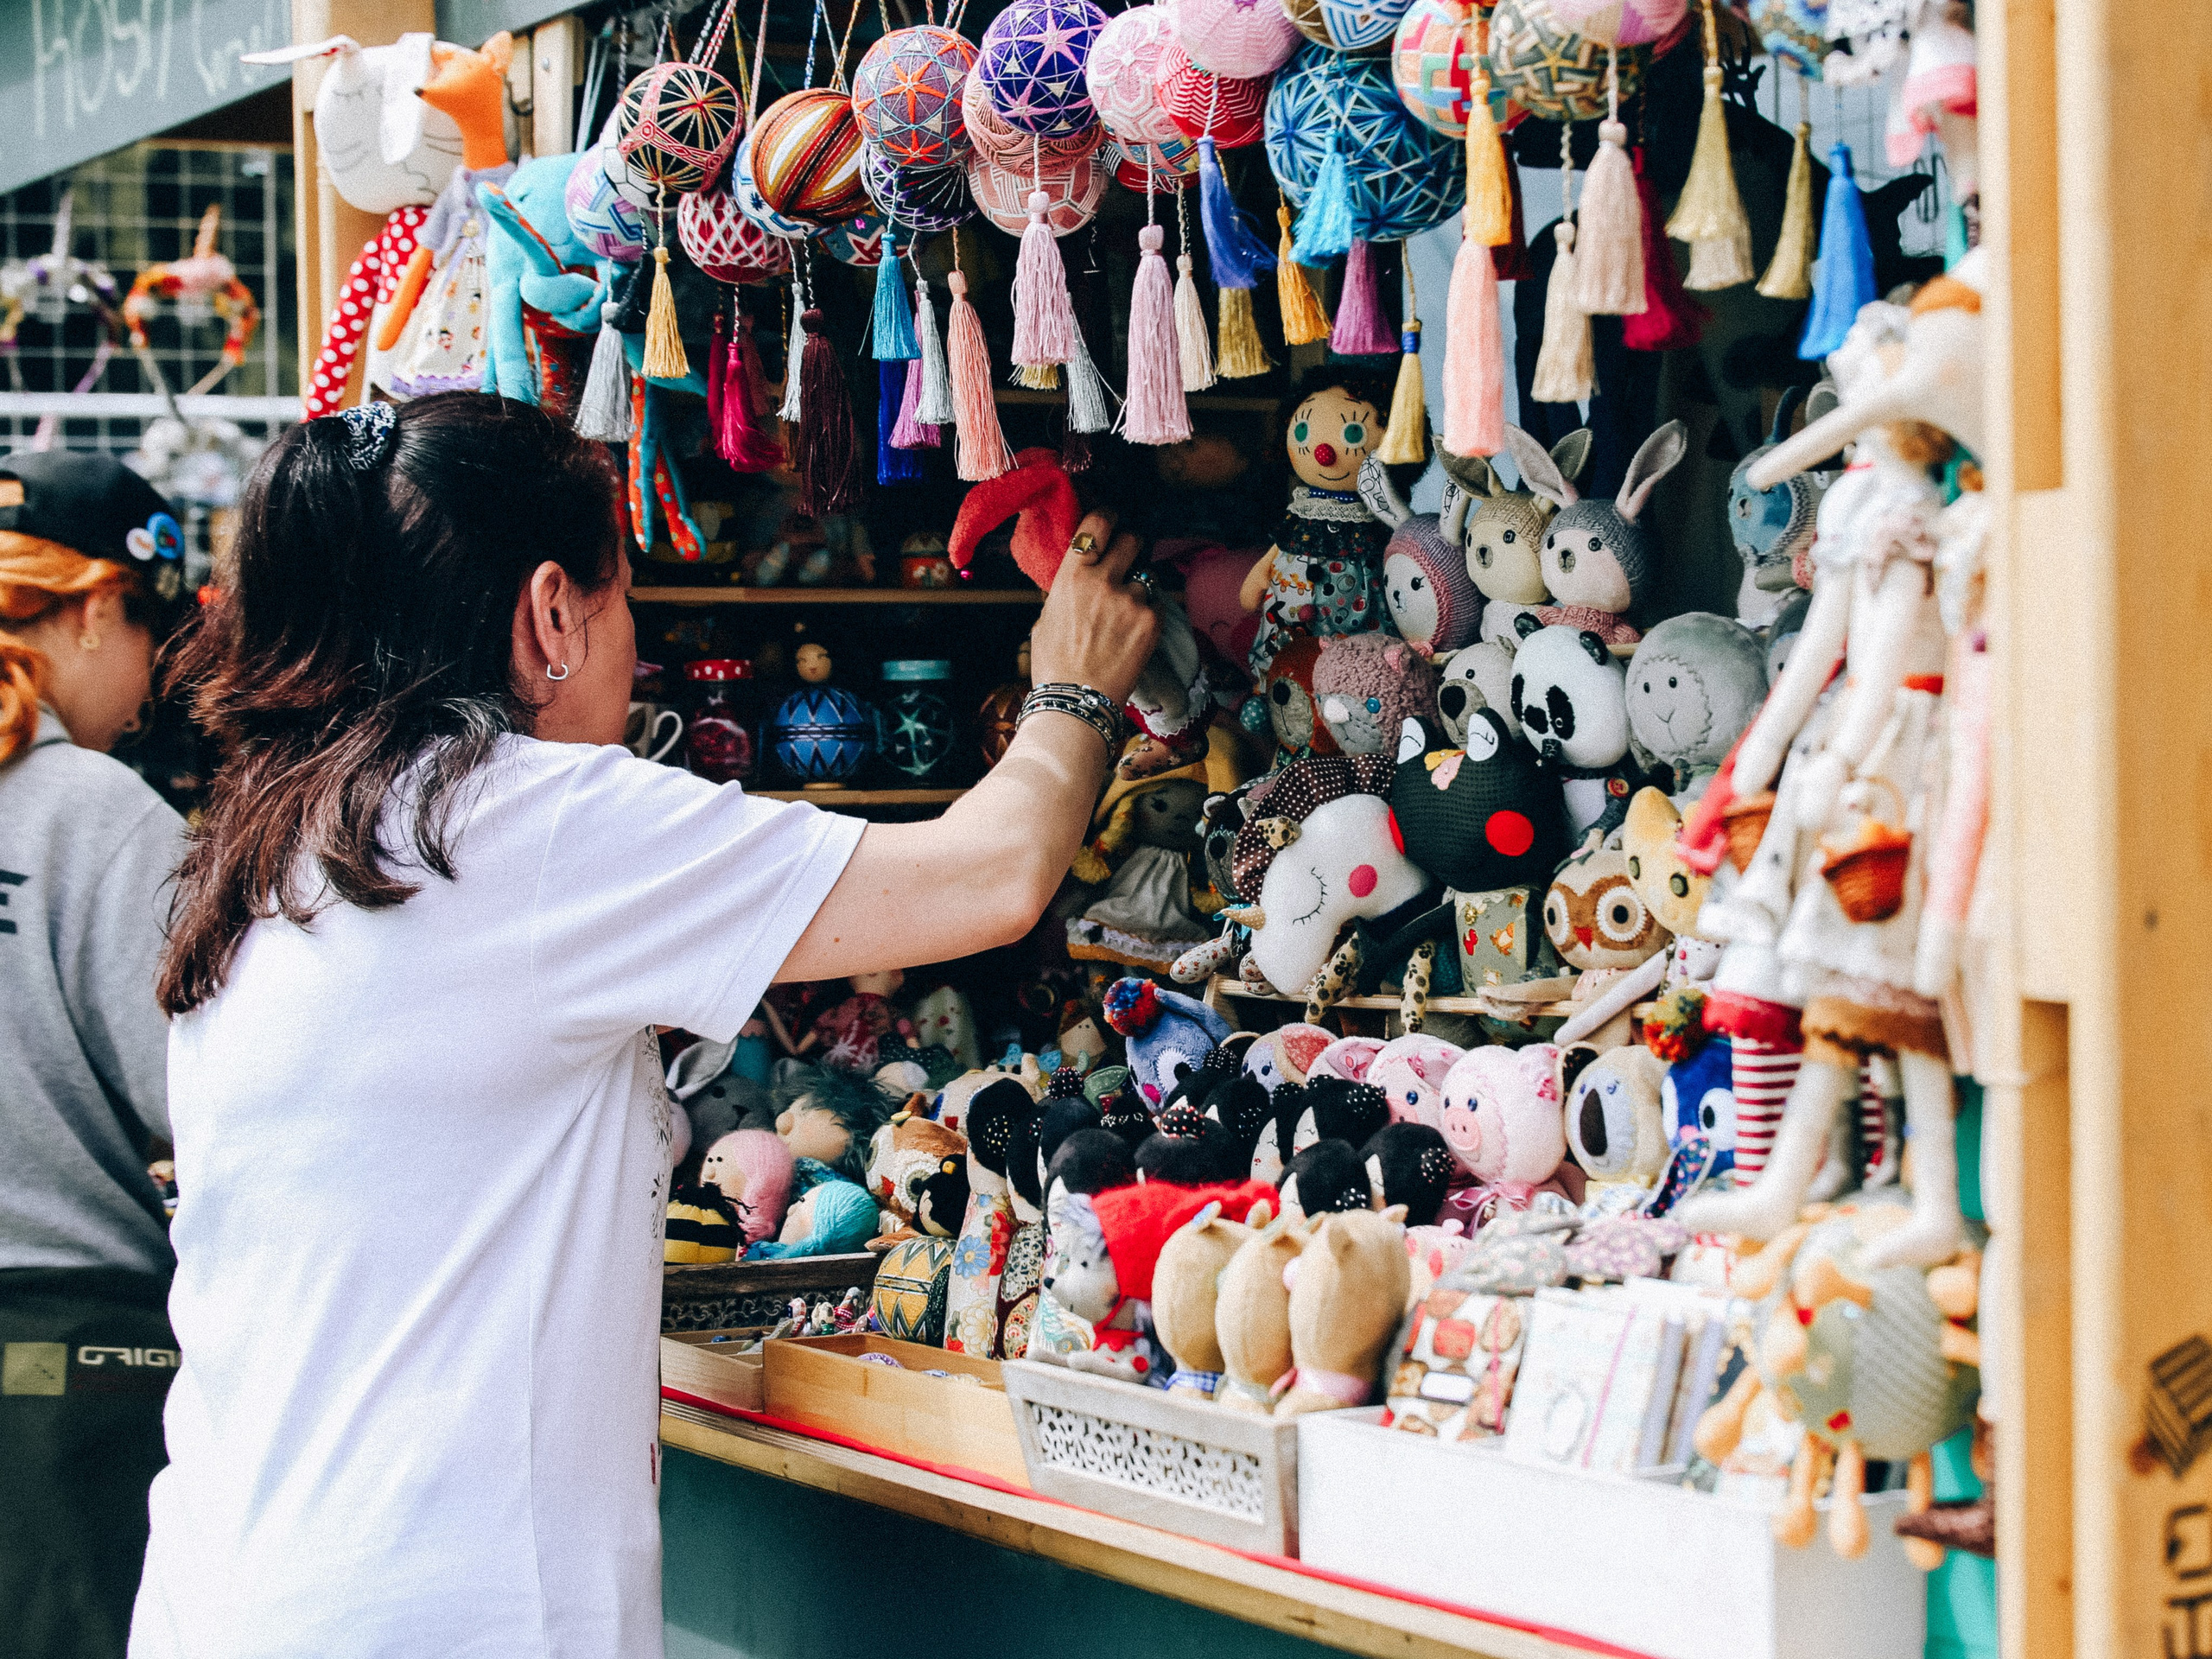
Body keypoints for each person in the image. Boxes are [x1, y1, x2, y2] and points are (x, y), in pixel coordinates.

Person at [130, 394, 1157, 1657]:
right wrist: (1077, 686)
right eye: (623, 598)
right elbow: (989, 876)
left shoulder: (279, 837)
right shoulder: (523, 821)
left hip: (228, 1587)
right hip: (447, 1612)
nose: (631, 636)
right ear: (552, 611)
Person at [0, 452, 193, 1659]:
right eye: (149, 628)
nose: (160, 672)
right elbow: (205, 1094)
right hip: (63, 1363)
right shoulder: (100, 811)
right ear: (88, 608)